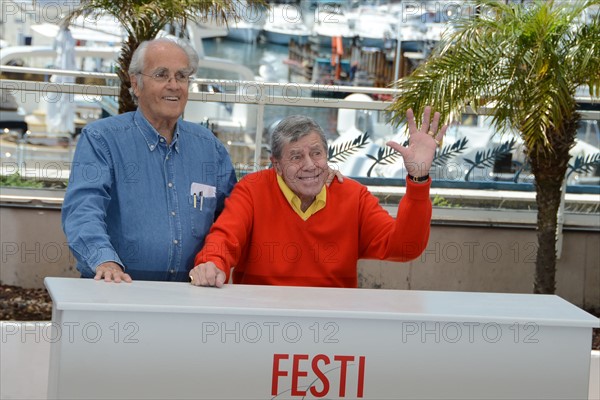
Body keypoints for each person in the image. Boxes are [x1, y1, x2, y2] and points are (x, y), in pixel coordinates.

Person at [189, 107, 446, 288]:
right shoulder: (253, 190)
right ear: (276, 165)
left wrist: (419, 181)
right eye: (296, 157)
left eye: (317, 153)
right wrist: (212, 264)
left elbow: (404, 248)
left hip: (333, 331)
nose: (310, 165)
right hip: (263, 325)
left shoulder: (352, 196)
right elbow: (224, 238)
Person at [62, 38, 237, 283]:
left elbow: (232, 218)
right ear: (136, 83)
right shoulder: (101, 139)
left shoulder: (209, 147)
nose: (174, 85)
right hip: (117, 290)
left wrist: (215, 259)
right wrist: (105, 261)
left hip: (190, 296)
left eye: (182, 76)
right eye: (161, 75)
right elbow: (83, 210)